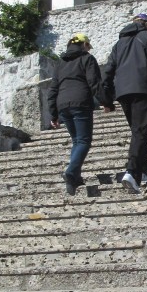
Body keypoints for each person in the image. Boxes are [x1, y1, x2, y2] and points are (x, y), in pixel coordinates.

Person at [101, 14, 147, 194]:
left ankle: (142, 172)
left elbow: (108, 71)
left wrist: (106, 99)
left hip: (123, 92)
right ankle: (131, 172)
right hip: (143, 89)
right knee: (139, 130)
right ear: (146, 24)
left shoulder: (119, 44)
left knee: (139, 130)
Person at [48, 33, 103, 196]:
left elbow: (53, 89)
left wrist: (53, 114)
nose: (88, 49)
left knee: (76, 141)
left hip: (63, 105)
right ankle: (71, 172)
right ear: (84, 45)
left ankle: (75, 178)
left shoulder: (60, 63)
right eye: (88, 46)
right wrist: (105, 101)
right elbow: (94, 82)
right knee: (84, 140)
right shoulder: (87, 59)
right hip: (81, 103)